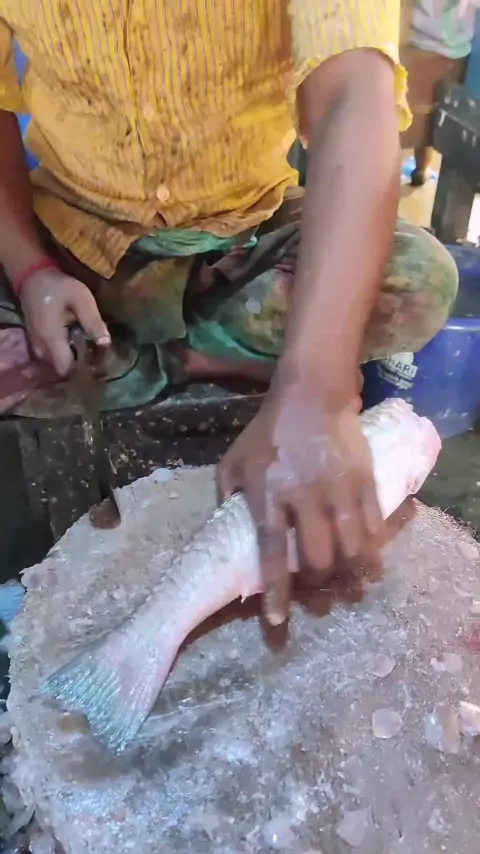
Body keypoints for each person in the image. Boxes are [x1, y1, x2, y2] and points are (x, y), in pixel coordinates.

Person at [0, 2, 458, 624]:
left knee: (417, 278)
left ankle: (135, 360)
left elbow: (354, 90)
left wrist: (316, 385)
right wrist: (31, 273)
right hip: (73, 245)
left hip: (244, 239)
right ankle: (206, 353)